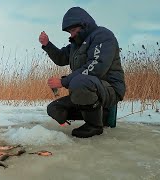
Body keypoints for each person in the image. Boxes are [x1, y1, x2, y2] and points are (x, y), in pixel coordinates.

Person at [39, 7, 126, 138]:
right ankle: (99, 116)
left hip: (110, 90)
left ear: (84, 25)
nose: (72, 35)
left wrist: (63, 82)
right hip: (89, 88)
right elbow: (61, 57)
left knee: (80, 82)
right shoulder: (76, 45)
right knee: (54, 108)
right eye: (69, 32)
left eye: (73, 30)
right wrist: (47, 45)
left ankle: (95, 126)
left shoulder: (102, 36)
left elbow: (96, 67)